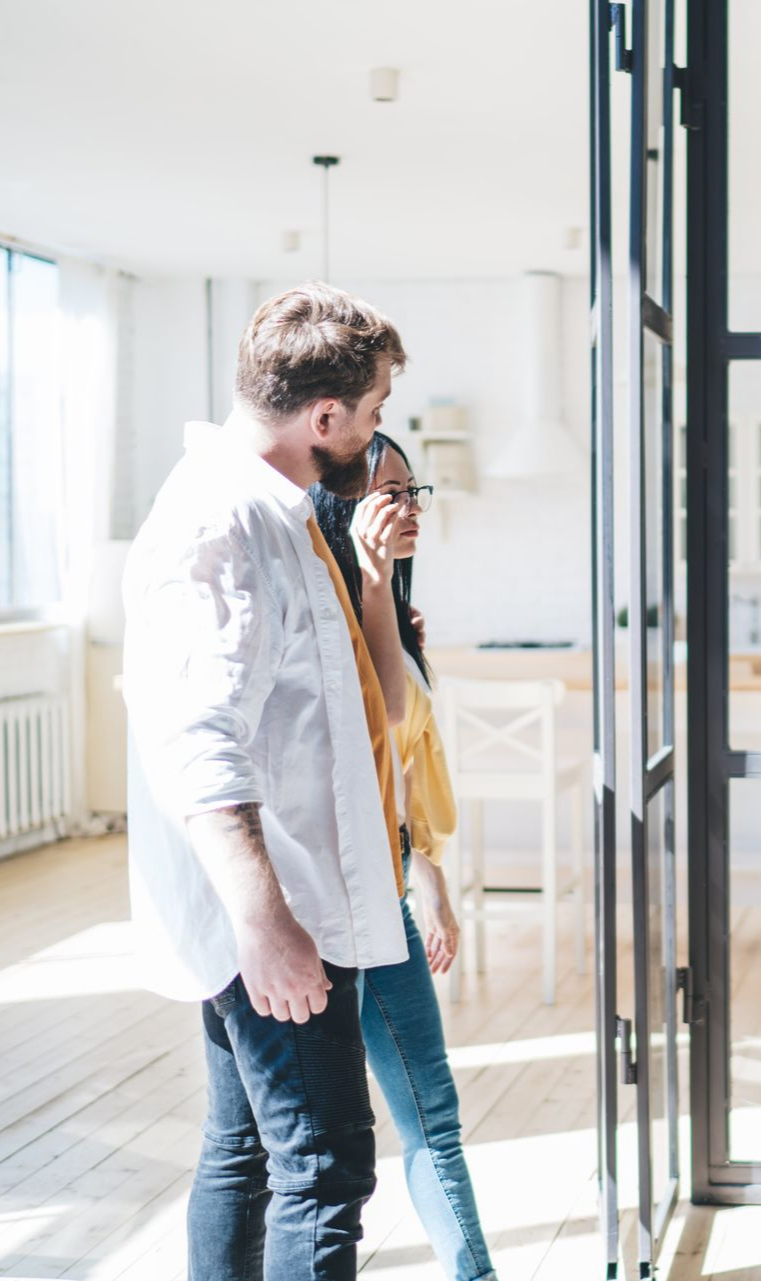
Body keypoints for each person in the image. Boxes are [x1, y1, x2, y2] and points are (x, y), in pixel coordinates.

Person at [123, 282, 411, 1280]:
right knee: (324, 1168)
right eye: (372, 411)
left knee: (247, 1150)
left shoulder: (264, 509)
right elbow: (201, 739)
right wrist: (265, 922)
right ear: (324, 417)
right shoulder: (225, 520)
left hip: (283, 899)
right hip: (276, 911)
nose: (375, 432)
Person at [312, 431, 497, 1281]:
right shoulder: (336, 605)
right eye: (388, 492)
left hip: (385, 890)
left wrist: (435, 887)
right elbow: (383, 715)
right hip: (332, 905)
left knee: (432, 1115)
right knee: (313, 1148)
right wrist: (375, 585)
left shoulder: (392, 608)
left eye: (412, 490)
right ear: (341, 503)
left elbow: (403, 775)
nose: (408, 507)